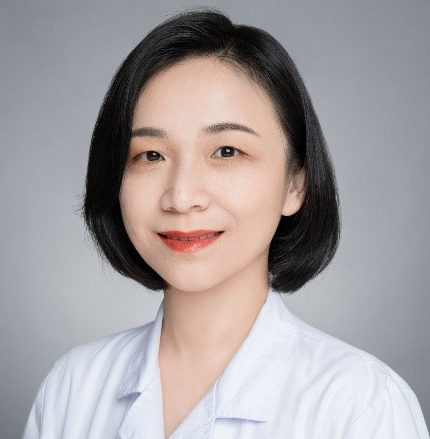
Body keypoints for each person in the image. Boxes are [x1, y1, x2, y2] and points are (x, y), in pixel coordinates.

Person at [22, 8, 429, 439]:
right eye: (151, 155)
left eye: (227, 152)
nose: (181, 197)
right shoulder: (73, 387)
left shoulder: (360, 404)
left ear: (295, 184)